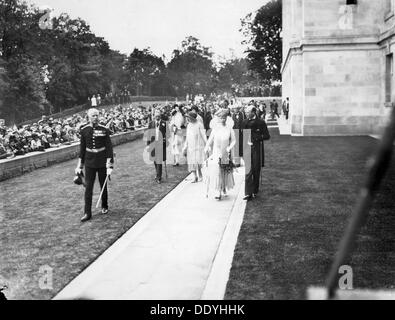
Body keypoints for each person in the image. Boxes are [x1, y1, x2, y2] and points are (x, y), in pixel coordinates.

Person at [75, 108, 114, 222]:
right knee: (88, 188)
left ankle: (104, 206)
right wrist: (79, 166)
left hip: (102, 161)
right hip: (89, 162)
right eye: (93, 116)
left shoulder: (104, 130)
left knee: (103, 185)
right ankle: (87, 212)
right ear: (88, 117)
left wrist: (110, 165)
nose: (95, 117)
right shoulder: (84, 130)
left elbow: (109, 148)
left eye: (97, 115)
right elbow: (82, 150)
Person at [204, 109, 236, 200]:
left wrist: (229, 148)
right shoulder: (215, 129)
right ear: (218, 118)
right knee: (217, 171)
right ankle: (218, 191)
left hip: (225, 152)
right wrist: (206, 147)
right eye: (221, 117)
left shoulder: (229, 128)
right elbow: (210, 140)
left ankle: (224, 187)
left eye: (224, 117)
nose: (223, 119)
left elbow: (233, 140)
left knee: (224, 171)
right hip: (216, 152)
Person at [241, 104, 270, 201]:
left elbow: (267, 136)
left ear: (253, 112)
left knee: (256, 170)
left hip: (256, 148)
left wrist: (257, 138)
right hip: (247, 149)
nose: (246, 113)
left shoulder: (260, 122)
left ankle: (255, 190)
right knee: (248, 171)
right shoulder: (244, 122)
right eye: (245, 112)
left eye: (248, 112)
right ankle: (248, 193)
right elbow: (241, 137)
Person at [183, 111, 207, 183]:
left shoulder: (199, 124)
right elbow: (187, 136)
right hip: (190, 146)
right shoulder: (189, 125)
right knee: (191, 162)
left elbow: (203, 134)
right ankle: (194, 176)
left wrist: (207, 143)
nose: (187, 119)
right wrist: (185, 146)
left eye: (188, 117)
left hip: (198, 146)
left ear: (192, 118)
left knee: (197, 161)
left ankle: (200, 175)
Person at [147, 109, 167, 184]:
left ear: (160, 114)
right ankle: (157, 173)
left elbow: (167, 134)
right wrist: (148, 145)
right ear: (154, 115)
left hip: (160, 144)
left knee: (159, 160)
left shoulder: (164, 123)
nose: (157, 115)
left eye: (158, 113)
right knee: (155, 160)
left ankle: (159, 177)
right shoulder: (151, 123)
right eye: (156, 113)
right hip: (152, 144)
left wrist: (165, 139)